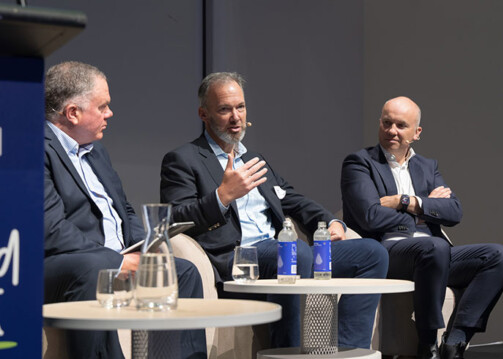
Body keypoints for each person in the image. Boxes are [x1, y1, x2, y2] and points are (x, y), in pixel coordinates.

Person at [159, 72, 389, 349]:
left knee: (372, 254)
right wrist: (223, 196)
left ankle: (347, 348)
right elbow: (175, 218)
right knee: (295, 253)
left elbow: (289, 198)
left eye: (240, 107)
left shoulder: (253, 158)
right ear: (203, 114)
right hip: (240, 257)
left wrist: (329, 221)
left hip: (281, 249)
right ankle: (289, 352)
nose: (235, 117)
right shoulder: (184, 159)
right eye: (224, 109)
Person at [43, 61, 206, 358]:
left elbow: (124, 211)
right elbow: (51, 230)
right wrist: (116, 260)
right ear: (73, 113)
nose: (110, 113)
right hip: (61, 265)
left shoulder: (96, 150)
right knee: (96, 267)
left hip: (111, 256)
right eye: (103, 106)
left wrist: (147, 245)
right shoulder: (37, 150)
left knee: (184, 272)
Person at [340, 96, 503, 359]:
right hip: (388, 253)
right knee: (434, 246)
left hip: (434, 255)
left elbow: (454, 211)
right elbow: (370, 216)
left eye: (400, 125)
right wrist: (424, 212)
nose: (391, 131)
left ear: (416, 133)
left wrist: (405, 201)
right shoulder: (360, 163)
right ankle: (428, 344)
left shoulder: (427, 166)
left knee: (498, 256)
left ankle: (455, 341)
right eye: (386, 123)